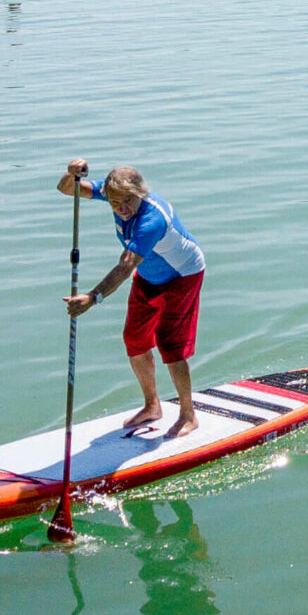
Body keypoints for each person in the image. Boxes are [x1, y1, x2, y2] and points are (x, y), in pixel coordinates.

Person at [59, 159, 208, 438]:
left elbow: (126, 266)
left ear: (139, 194)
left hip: (183, 275)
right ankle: (152, 406)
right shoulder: (112, 192)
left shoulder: (150, 220)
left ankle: (189, 415)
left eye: (128, 201)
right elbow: (68, 190)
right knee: (135, 339)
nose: (121, 209)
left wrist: (92, 298)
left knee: (170, 345)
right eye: (115, 202)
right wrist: (72, 175)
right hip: (150, 274)